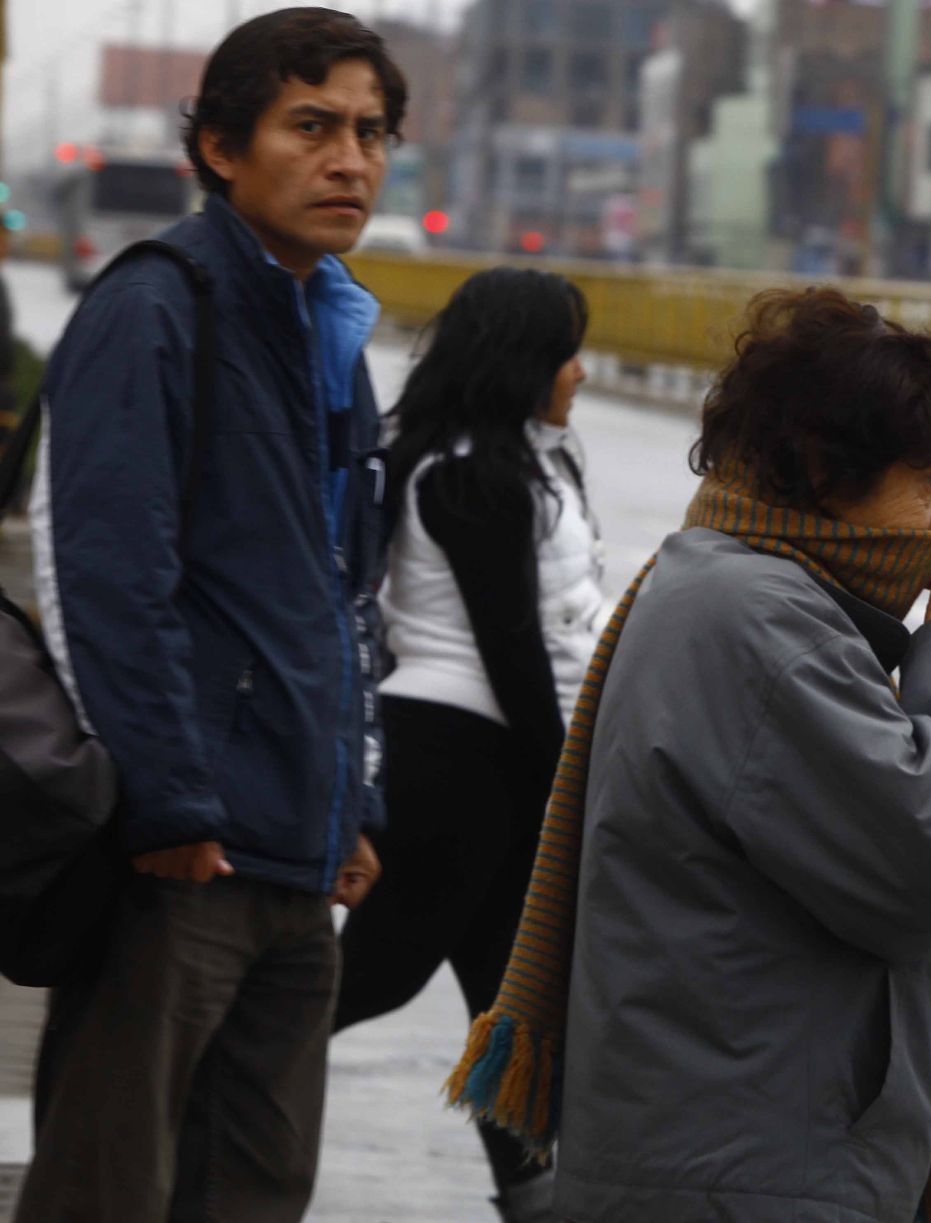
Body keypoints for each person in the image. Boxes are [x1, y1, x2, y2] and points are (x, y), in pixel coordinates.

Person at [443, 287, 931, 1223]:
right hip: (750, 1170)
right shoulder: (764, 626)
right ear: (830, 476)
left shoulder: (728, 580)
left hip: (734, 1151)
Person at [20, 10, 404, 1219]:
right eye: (314, 127)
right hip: (185, 855)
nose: (352, 160)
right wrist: (169, 799)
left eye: (373, 132)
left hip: (301, 852)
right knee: (110, 1184)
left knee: (253, 1187)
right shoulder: (159, 307)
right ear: (223, 149)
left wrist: (359, 801)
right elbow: (104, 574)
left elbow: (350, 602)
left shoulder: (331, 334)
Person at [333, 267, 602, 1223]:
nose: (580, 370)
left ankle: (535, 1193)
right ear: (523, 361)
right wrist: (565, 783)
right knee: (373, 976)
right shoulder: (468, 475)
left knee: (505, 1001)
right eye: (565, 350)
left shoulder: (520, 458)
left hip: (484, 760)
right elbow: (514, 657)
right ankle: (210, 1083)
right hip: (460, 764)